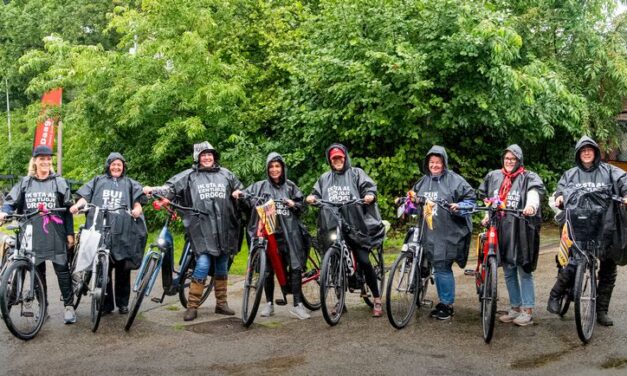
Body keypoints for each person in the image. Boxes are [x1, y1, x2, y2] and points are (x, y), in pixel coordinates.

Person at [143, 142, 243, 321]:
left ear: (214, 156)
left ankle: (221, 304)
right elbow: (170, 189)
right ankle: (192, 306)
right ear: (197, 157)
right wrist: (154, 189)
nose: (207, 158)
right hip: (201, 228)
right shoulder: (189, 176)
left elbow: (240, 190)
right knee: (203, 264)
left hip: (223, 228)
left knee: (221, 263)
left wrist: (239, 194)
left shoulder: (226, 174)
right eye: (203, 155)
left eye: (210, 154)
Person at [548, 136, 627, 326]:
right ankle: (556, 294)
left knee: (608, 268)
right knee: (573, 262)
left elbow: (624, 180)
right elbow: (560, 190)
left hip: (605, 226)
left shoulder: (609, 171)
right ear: (578, 153)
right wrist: (559, 197)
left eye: (590, 149)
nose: (586, 152)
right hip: (580, 225)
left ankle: (601, 311)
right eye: (583, 150)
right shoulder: (571, 174)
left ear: (595, 152)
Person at [305, 143, 385, 317]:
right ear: (330, 160)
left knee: (363, 260)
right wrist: (312, 197)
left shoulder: (356, 173)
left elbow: (369, 187)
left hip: (355, 225)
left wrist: (369, 195)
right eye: (334, 158)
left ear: (345, 157)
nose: (338, 161)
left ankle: (377, 298)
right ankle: (340, 301)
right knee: (334, 262)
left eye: (340, 157)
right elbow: (316, 193)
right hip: (333, 224)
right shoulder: (325, 178)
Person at [0, 145, 76, 324]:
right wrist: (4, 212)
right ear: (35, 161)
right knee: (37, 272)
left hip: (56, 233)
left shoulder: (59, 182)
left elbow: (67, 209)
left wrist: (70, 233)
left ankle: (69, 306)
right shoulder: (26, 183)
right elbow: (10, 202)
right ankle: (44, 307)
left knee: (62, 271)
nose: (45, 161)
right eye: (42, 158)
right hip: (32, 233)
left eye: (48, 158)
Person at [233, 152, 311, 320]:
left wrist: (294, 204)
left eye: (277, 166)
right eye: (271, 167)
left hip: (289, 234)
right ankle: (269, 304)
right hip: (268, 234)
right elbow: (246, 199)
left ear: (282, 168)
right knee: (266, 270)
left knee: (295, 266)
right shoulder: (259, 186)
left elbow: (302, 206)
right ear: (267, 169)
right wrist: (239, 195)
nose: (274, 170)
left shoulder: (290, 187)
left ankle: (298, 305)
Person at [70, 153, 147, 315]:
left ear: (123, 167)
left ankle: (123, 303)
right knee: (102, 268)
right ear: (108, 166)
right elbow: (84, 197)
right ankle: (105, 305)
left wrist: (136, 211)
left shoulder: (130, 183)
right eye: (113, 164)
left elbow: (138, 203)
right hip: (100, 230)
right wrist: (77, 206)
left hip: (123, 232)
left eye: (119, 165)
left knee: (123, 270)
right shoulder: (98, 181)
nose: (116, 167)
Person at [406, 146, 475, 320]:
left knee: (442, 267)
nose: (434, 165)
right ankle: (419, 292)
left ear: (444, 162)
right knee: (428, 263)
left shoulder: (456, 181)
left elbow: (471, 199)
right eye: (431, 162)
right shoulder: (422, 181)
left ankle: (446, 305)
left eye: (438, 162)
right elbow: (414, 203)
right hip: (426, 232)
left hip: (447, 232)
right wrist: (408, 202)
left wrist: (459, 206)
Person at [479, 144, 545, 327]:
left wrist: (531, 206)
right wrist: (486, 215)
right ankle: (515, 307)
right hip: (500, 228)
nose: (509, 162)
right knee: (508, 270)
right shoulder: (494, 176)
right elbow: (488, 200)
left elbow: (534, 193)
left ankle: (527, 310)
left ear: (519, 160)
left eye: (513, 159)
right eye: (507, 158)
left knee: (523, 269)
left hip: (521, 228)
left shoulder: (528, 177)